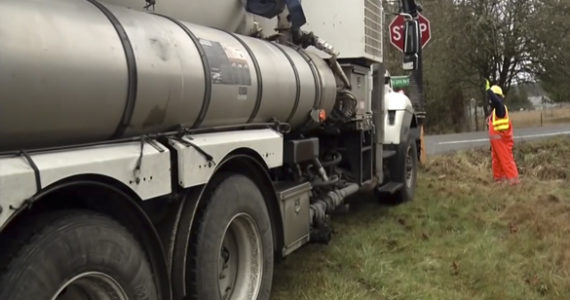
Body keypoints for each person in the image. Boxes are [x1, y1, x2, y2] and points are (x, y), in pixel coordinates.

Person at [485, 80, 520, 185]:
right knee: (496, 161)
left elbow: (496, 102)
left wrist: (488, 90)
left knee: (506, 161)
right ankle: (499, 180)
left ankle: (514, 183)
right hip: (496, 143)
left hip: (503, 141)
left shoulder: (500, 109)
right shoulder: (494, 112)